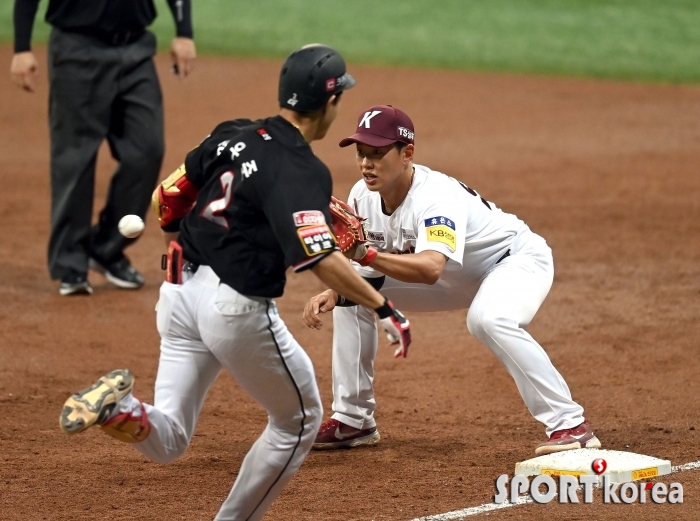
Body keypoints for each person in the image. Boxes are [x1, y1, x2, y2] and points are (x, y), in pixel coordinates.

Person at [58, 46, 411, 520]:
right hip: (233, 310)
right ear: (329, 104)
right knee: (299, 422)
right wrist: (383, 307)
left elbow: (168, 197)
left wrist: (201, 238)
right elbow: (318, 257)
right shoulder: (303, 169)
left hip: (178, 295)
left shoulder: (232, 134)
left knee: (169, 440)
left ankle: (118, 410)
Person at [303, 105, 601, 455]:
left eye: (378, 153)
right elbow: (373, 270)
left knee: (488, 318)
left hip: (513, 262)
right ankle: (353, 420)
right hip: (456, 278)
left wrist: (365, 257)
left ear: (407, 154)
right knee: (351, 296)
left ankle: (570, 424)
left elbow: (429, 269)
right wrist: (339, 288)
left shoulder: (435, 197)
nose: (367, 163)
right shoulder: (361, 195)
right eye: (361, 153)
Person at [11, 0, 197, 296]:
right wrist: (22, 47)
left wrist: (184, 30)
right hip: (77, 50)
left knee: (146, 150)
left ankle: (107, 248)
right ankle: (71, 264)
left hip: (136, 49)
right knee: (76, 158)